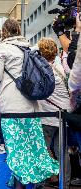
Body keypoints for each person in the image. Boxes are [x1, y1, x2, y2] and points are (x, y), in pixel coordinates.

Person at [0, 18, 59, 188]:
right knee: (31, 149)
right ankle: (28, 181)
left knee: (16, 151)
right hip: (32, 106)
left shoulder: (3, 48)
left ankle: (21, 185)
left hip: (12, 107)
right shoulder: (28, 47)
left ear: (4, 32)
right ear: (18, 30)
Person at [38, 38, 72, 188]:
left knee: (43, 150)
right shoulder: (59, 65)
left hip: (49, 116)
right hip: (64, 114)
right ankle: (64, 183)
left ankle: (41, 181)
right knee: (62, 151)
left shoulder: (45, 70)